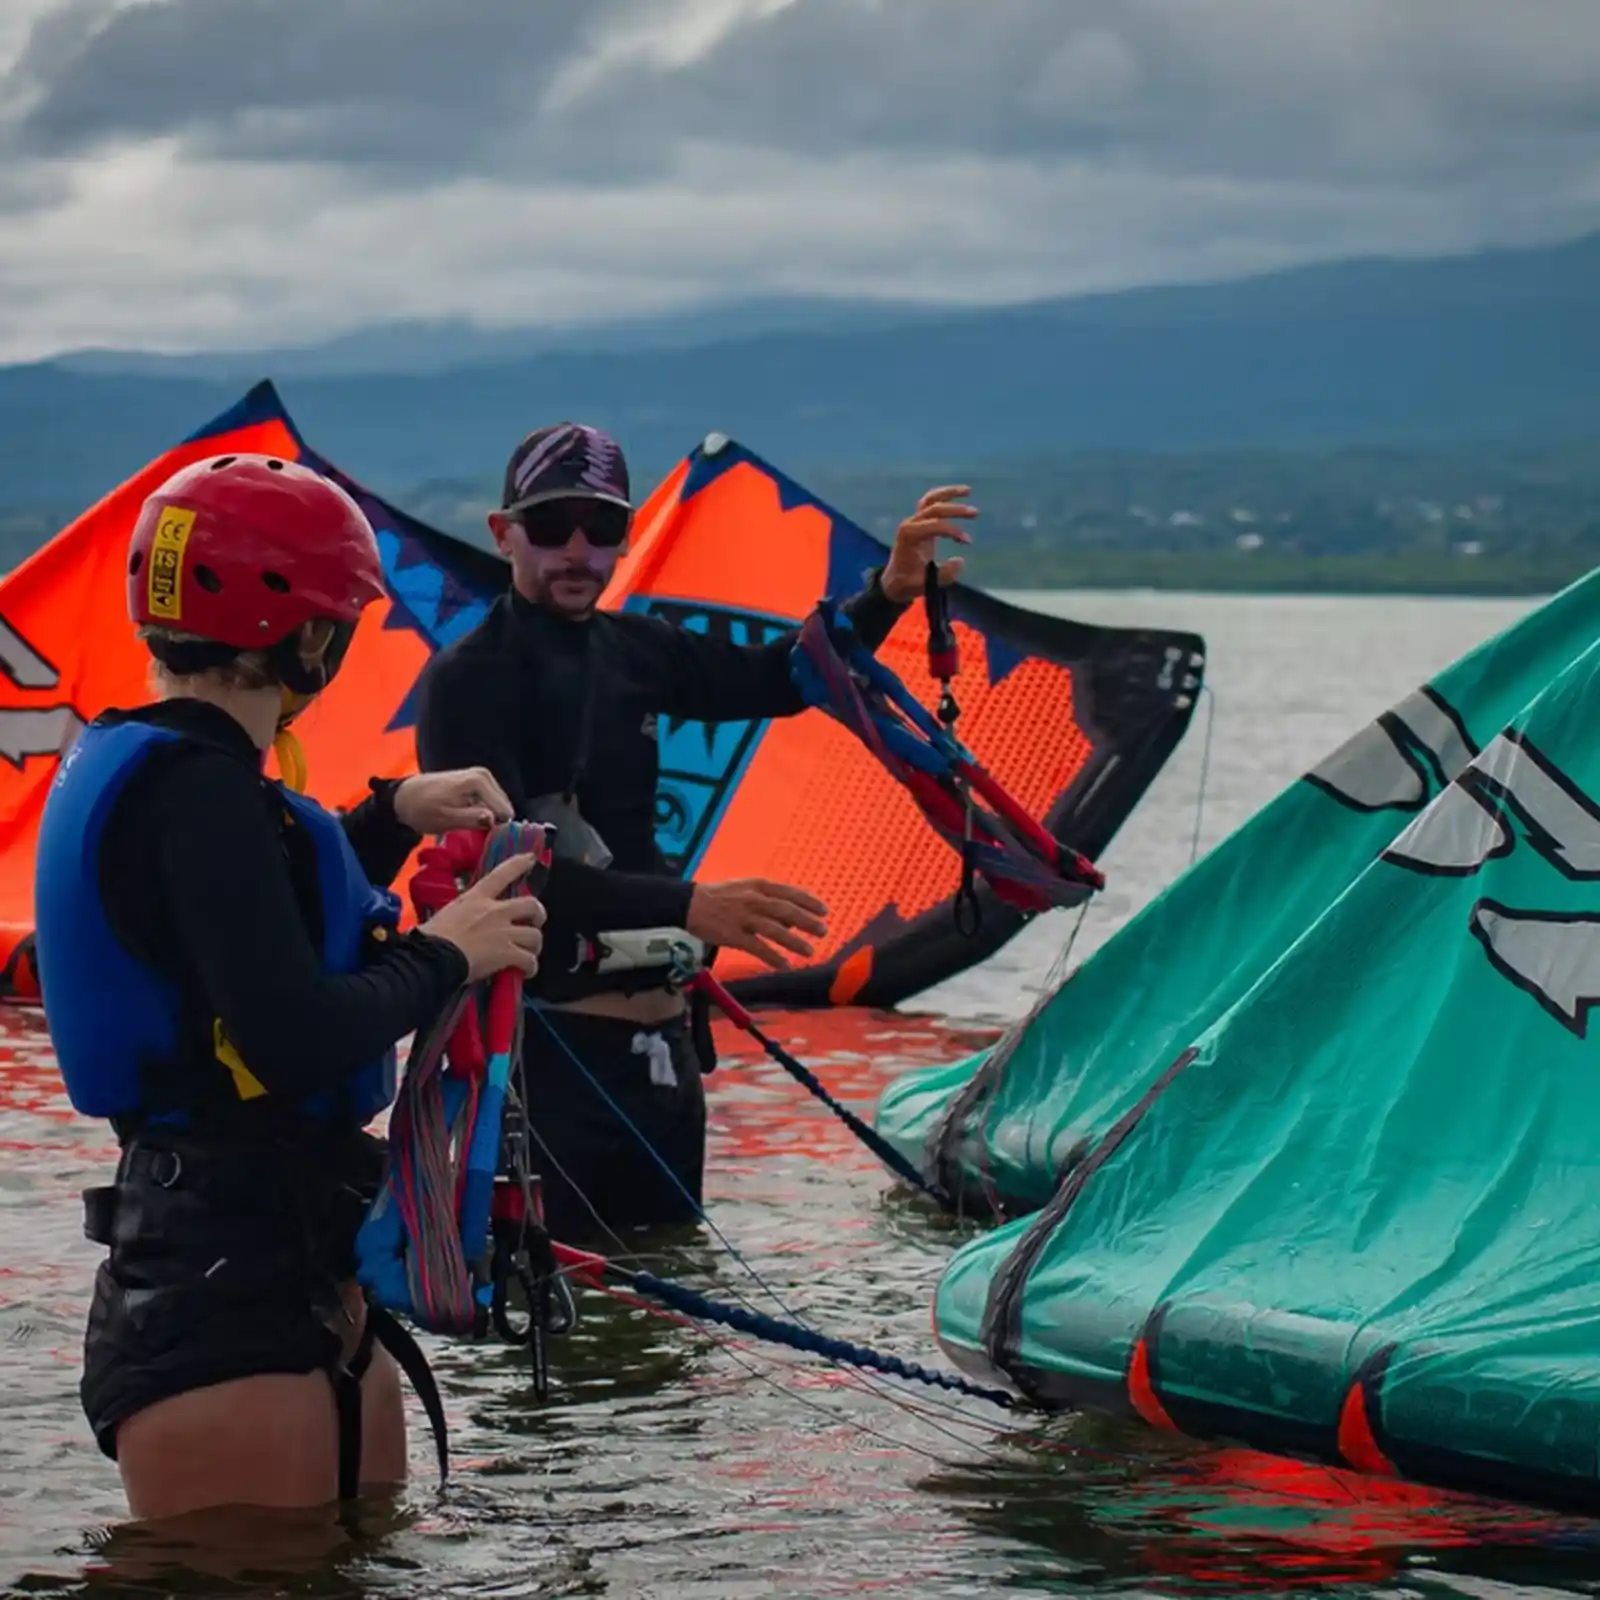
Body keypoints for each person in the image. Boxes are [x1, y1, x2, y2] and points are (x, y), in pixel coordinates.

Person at [34, 453, 547, 1524]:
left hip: (290, 1249)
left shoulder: (177, 774)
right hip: (219, 1286)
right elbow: (289, 1033)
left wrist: (390, 813)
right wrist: (448, 954)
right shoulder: (199, 794)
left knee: (361, 1559)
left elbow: (247, 921)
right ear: (311, 637)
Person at [412, 421, 975, 1239]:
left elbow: (788, 678)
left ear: (625, 536)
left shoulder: (637, 649)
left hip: (668, 1053)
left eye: (603, 527)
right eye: (551, 526)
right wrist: (691, 906)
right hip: (552, 1059)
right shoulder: (469, 681)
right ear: (504, 534)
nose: (578, 551)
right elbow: (507, 880)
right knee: (580, 1297)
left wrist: (886, 592)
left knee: (676, 1284)